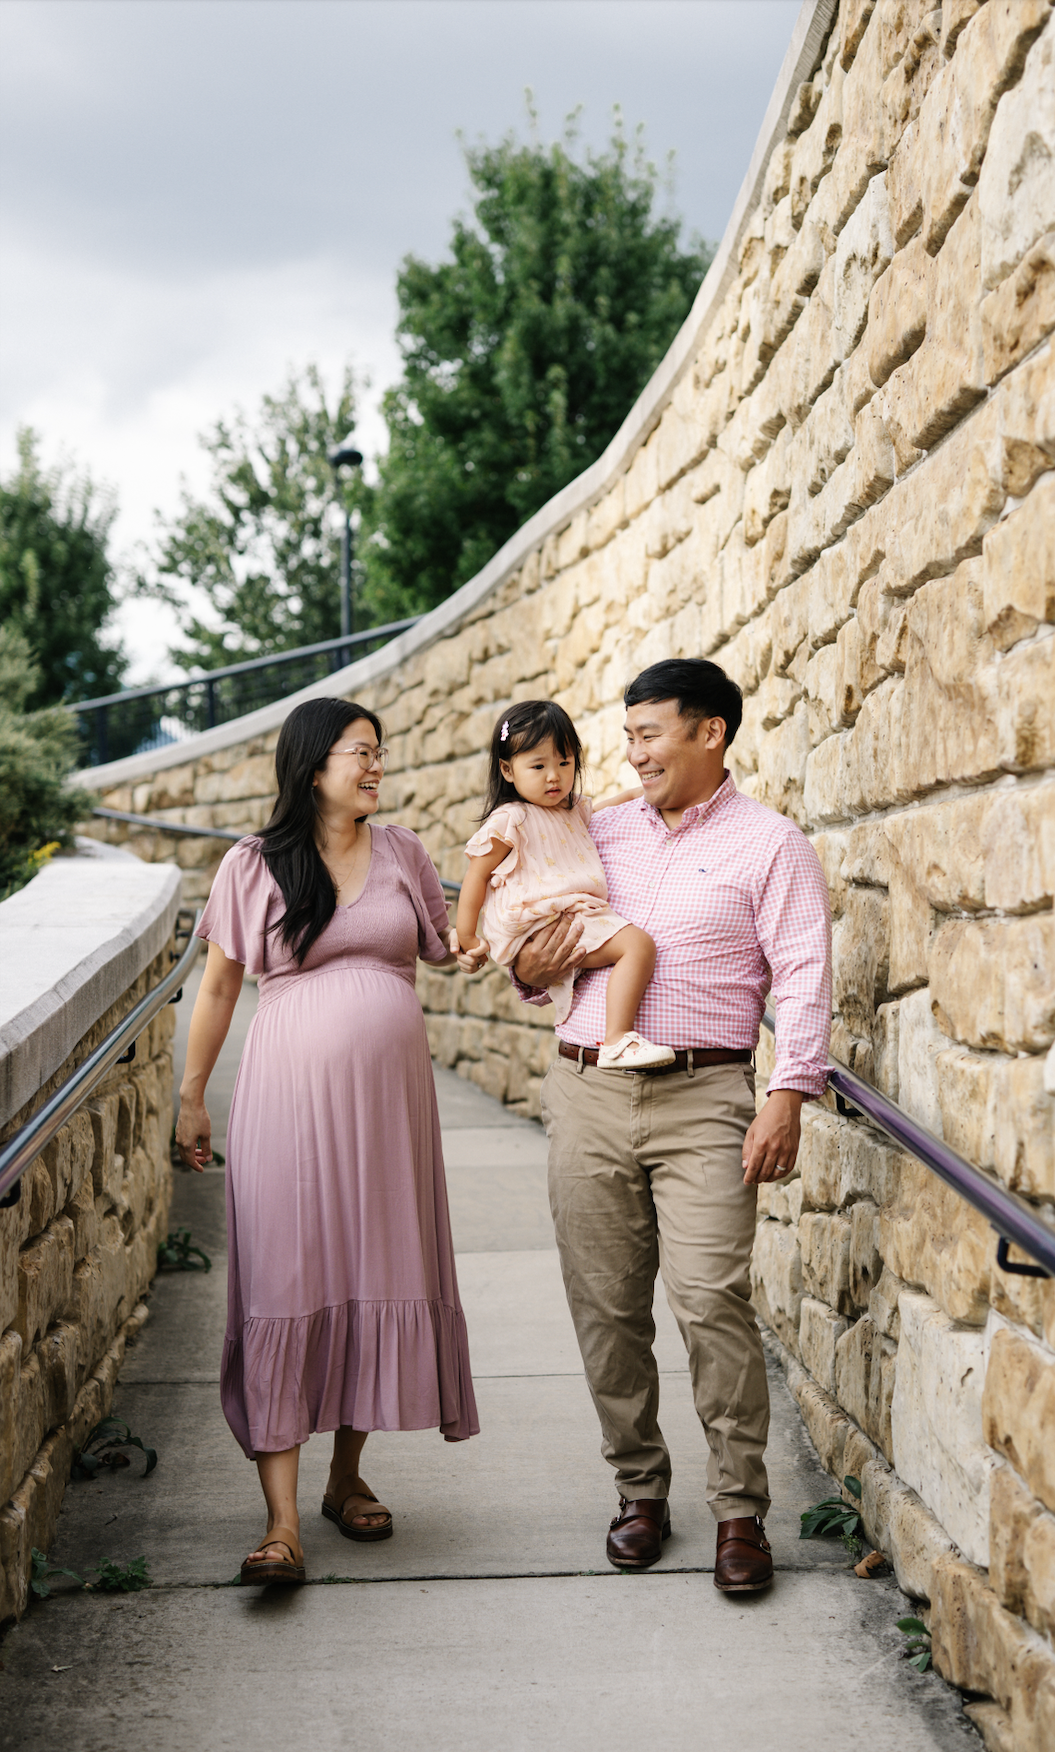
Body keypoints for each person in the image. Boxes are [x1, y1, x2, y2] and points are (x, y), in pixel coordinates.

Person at [503, 658, 831, 1592]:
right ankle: (639, 1493)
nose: (631, 750)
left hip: (705, 1099)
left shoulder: (772, 846)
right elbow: (532, 942)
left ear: (710, 733)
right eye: (630, 733)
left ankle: (739, 1514)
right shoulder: (594, 831)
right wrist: (531, 964)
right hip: (588, 1091)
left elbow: (803, 973)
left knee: (709, 1300)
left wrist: (787, 1094)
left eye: (649, 733)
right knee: (606, 1307)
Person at [175, 697, 478, 1586]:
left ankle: (345, 1478)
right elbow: (222, 989)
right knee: (287, 1277)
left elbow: (446, 948)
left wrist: (510, 897)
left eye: (381, 753)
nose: (376, 767)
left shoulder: (405, 853)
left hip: (390, 1115)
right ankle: (279, 1526)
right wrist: (191, 1097)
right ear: (313, 767)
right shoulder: (254, 865)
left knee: (372, 1275)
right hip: (287, 1107)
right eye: (360, 753)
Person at [457, 699, 674, 1071]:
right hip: (538, 918)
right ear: (508, 770)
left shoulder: (571, 811)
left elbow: (606, 806)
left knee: (633, 946)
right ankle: (617, 1040)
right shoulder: (511, 819)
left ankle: (615, 1037)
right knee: (637, 945)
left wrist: (644, 793)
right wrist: (467, 936)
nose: (553, 776)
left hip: (564, 914)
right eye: (538, 766)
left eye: (564, 762)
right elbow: (476, 876)